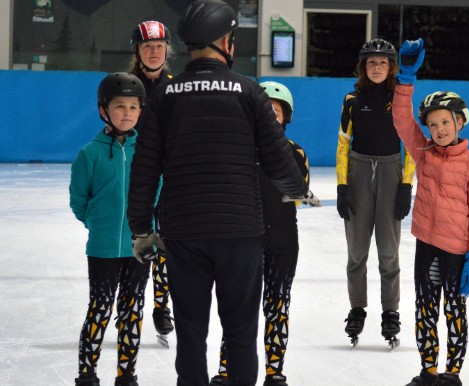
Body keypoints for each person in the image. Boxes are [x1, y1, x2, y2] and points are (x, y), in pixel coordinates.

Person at [126, 1, 309, 385]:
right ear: (225, 40)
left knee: (190, 333)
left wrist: (141, 228)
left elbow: (144, 169)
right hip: (241, 234)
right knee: (241, 332)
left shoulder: (166, 96)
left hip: (184, 233)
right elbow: (280, 163)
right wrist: (297, 189)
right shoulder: (248, 91)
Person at [391, 38, 469, 386]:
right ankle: (429, 370)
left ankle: (452, 373)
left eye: (445, 123)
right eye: (433, 125)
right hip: (427, 246)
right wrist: (405, 80)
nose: (439, 130)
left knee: (454, 311)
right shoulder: (425, 154)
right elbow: (403, 123)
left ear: (459, 122)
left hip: (457, 251)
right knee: (425, 310)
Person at [208, 81, 320, 386]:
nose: (270, 116)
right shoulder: (238, 150)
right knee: (239, 307)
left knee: (277, 304)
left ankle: (274, 371)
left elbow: (297, 192)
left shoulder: (295, 153)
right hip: (244, 240)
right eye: (264, 110)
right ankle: (227, 368)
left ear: (286, 117)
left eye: (276, 111)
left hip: (282, 242)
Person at [335, 38, 416, 347]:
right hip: (357, 171)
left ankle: (390, 312)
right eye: (372, 62)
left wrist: (406, 185)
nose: (377, 67)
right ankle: (357, 308)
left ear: (391, 67)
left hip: (391, 171)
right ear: (363, 67)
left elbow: (409, 143)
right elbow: (344, 142)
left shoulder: (400, 98)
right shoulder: (351, 99)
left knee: (388, 252)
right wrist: (342, 185)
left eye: (383, 62)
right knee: (356, 252)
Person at [70, 72, 148, 386]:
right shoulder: (90, 154)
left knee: (132, 311)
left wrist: (148, 227)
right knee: (100, 308)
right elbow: (79, 200)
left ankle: (126, 374)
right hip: (102, 248)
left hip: (139, 246)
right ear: (105, 110)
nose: (126, 113)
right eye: (119, 106)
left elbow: (157, 190)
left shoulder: (147, 152)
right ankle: (87, 373)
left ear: (140, 110)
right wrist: (97, 224)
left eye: (132, 107)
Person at [129, 19, 175, 345]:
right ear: (138, 50)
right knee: (136, 244)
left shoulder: (176, 86)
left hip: (170, 181)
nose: (154, 52)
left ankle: (162, 307)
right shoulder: (127, 85)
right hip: (136, 179)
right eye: (148, 46)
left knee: (165, 245)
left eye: (159, 46)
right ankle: (132, 307)